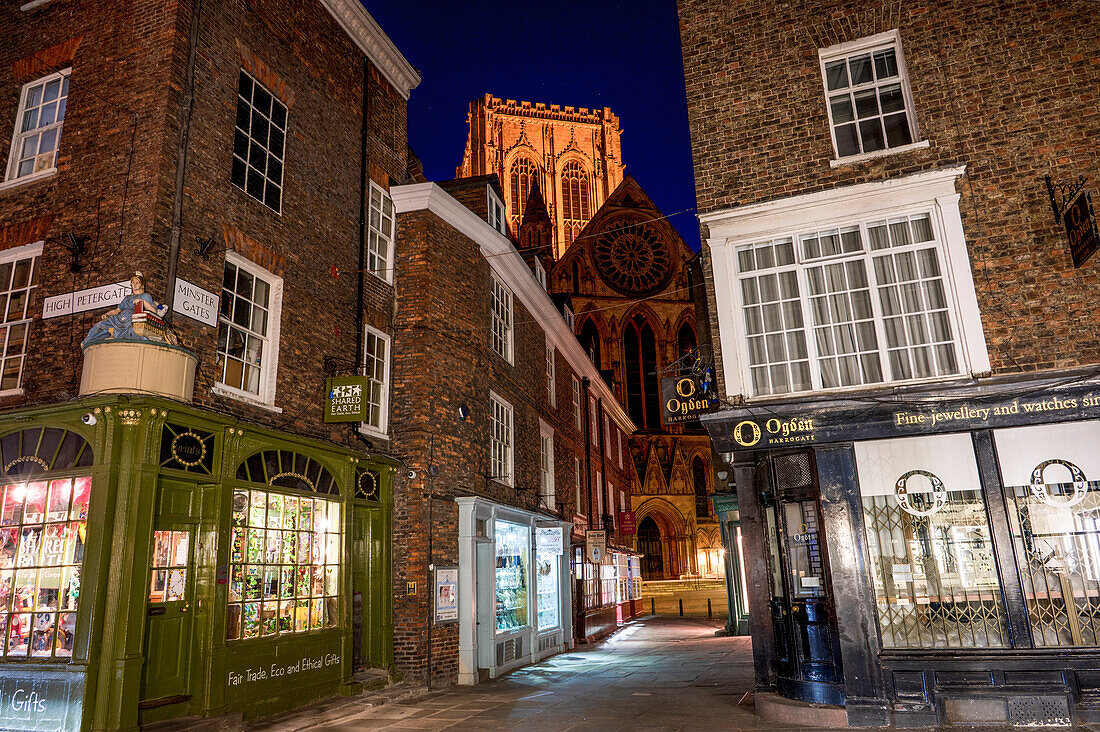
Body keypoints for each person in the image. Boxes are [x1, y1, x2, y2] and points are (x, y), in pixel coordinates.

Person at [80, 272, 160, 349]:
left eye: (137, 282)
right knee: (98, 325)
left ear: (141, 284)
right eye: (133, 282)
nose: (134, 284)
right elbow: (117, 310)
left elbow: (153, 310)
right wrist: (107, 314)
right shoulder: (127, 298)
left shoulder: (145, 296)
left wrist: (143, 301)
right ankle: (86, 343)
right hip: (118, 318)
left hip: (131, 319)